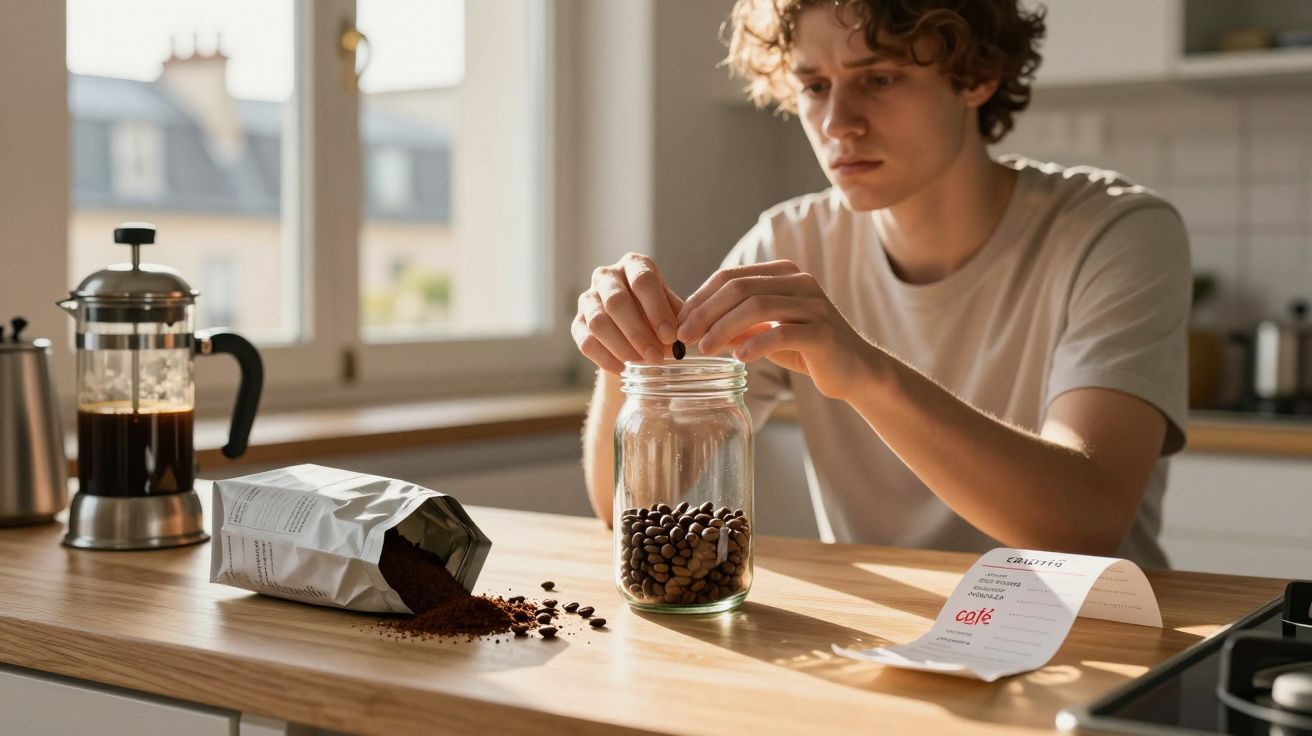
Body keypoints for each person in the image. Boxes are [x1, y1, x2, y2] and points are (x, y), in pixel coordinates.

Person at [572, 0, 1190, 566]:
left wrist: (864, 373)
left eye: (880, 78)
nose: (838, 122)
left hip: (1094, 639)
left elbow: (1086, 523)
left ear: (978, 76)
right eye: (814, 86)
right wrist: (626, 362)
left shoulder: (1116, 232)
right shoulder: (790, 243)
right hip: (890, 635)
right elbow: (630, 504)